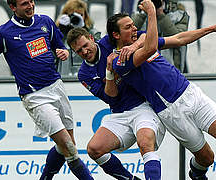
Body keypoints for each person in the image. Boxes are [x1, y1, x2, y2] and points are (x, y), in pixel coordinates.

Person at [105, 6, 216, 180]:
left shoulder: (140, 41)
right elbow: (149, 47)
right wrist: (152, 12)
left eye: (133, 25)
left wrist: (210, 29)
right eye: (128, 27)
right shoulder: (118, 60)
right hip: (171, 111)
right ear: (116, 35)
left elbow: (178, 38)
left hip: (190, 93)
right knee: (207, 157)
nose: (134, 29)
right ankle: (197, 173)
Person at [0, 0, 93, 180]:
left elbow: (60, 46)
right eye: (25, 3)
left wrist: (64, 52)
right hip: (34, 96)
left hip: (56, 87)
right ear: (13, 7)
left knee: (66, 145)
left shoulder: (45, 22)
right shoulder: (3, 33)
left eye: (32, 1)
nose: (30, 6)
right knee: (70, 148)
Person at [66, 1, 166, 179]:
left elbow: (143, 37)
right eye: (78, 50)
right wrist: (110, 73)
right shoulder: (84, 74)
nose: (84, 51)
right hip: (119, 113)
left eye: (85, 45)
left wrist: (134, 46)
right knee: (94, 149)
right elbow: (111, 96)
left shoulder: (108, 41)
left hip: (142, 106)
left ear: (91, 38)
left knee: (145, 145)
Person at [131, 0, 189, 71]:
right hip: (143, 67)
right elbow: (129, 34)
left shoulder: (179, 15)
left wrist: (161, 15)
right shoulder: (139, 13)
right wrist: (144, 13)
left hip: (170, 68)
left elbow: (178, 39)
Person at [55, 0, 101, 77]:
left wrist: (83, 29)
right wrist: (60, 31)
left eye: (80, 15)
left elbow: (99, 51)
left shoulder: (93, 33)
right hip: (64, 77)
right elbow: (52, 55)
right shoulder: (57, 33)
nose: (77, 17)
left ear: (85, 16)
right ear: (65, 16)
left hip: (89, 75)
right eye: (73, 15)